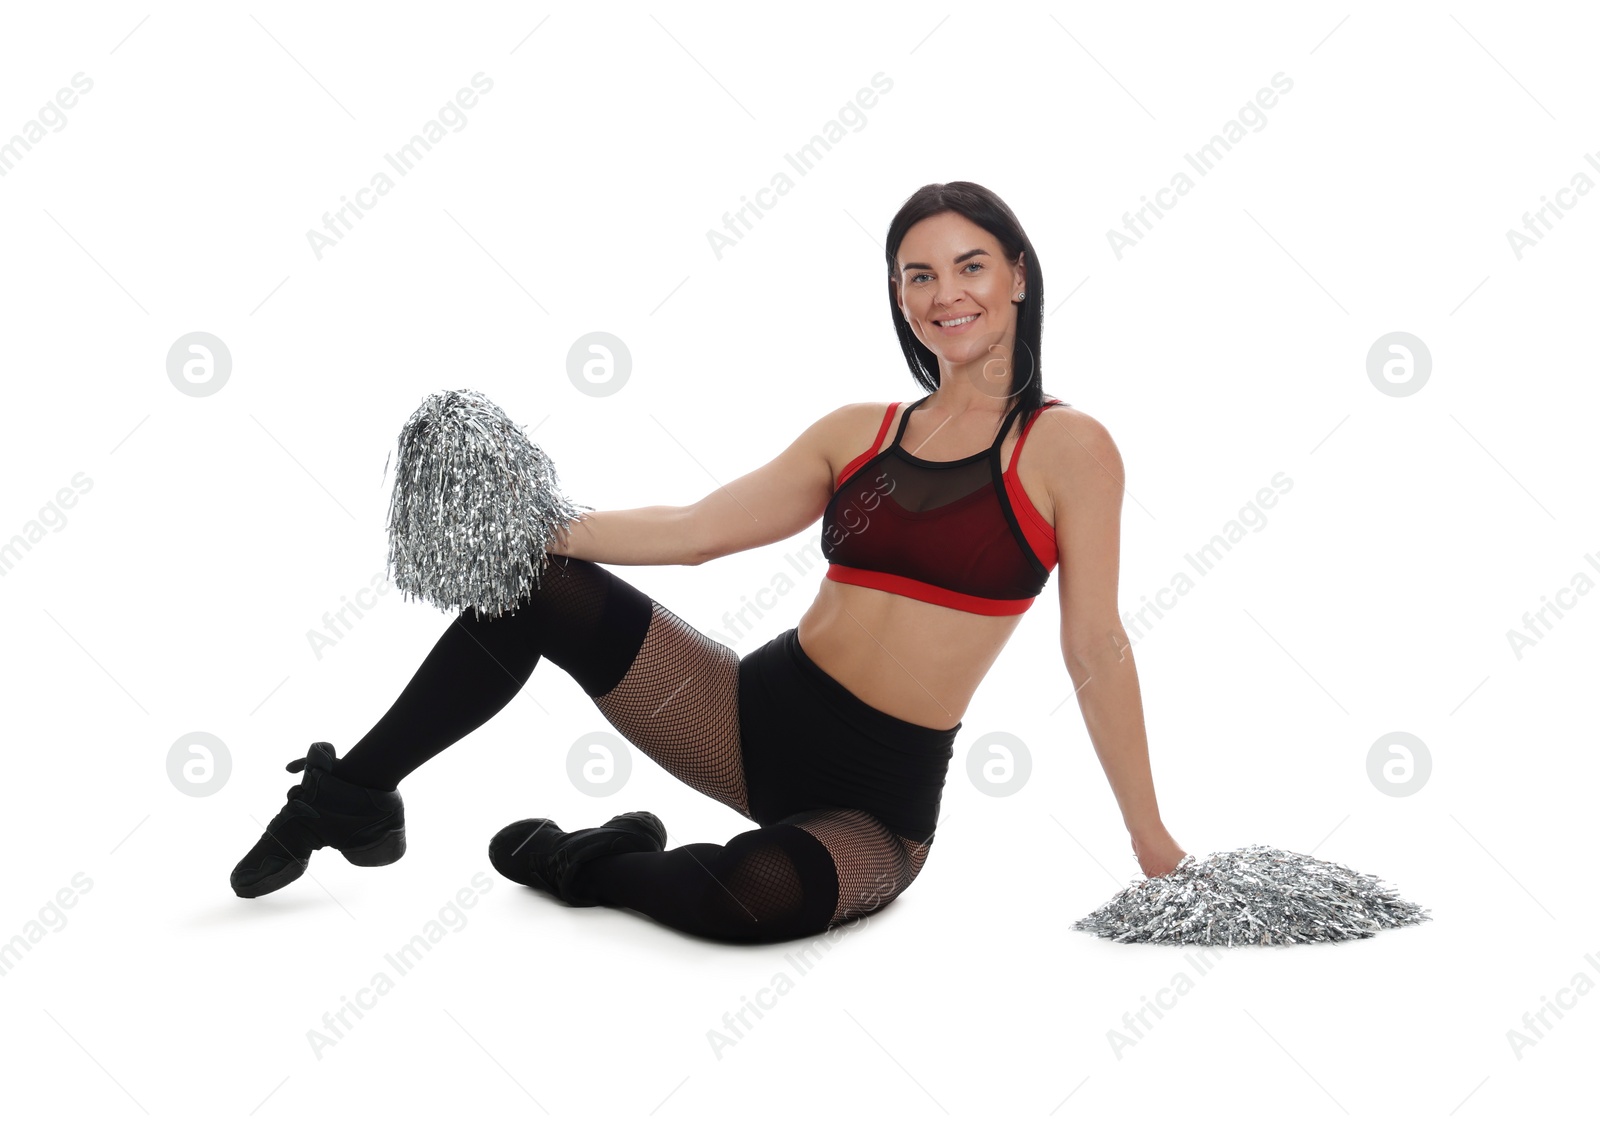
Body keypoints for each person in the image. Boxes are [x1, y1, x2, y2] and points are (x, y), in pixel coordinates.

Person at [230, 181, 1186, 942]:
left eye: (969, 266)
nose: (947, 295)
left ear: (1019, 275)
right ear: (898, 295)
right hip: (744, 717)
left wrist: (1150, 840)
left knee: (753, 894)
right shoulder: (859, 433)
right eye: (918, 275)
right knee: (536, 587)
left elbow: (1095, 644)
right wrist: (532, 519)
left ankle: (591, 861)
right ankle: (352, 795)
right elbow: (695, 530)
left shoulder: (1068, 449)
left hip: (876, 806)